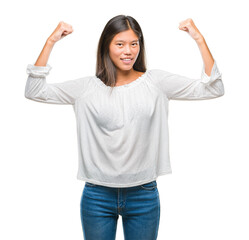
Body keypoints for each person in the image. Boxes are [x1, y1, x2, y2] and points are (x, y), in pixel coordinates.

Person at [24, 15, 224, 240]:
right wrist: (51, 41)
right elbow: (34, 91)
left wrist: (198, 38)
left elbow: (213, 89)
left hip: (144, 195)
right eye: (120, 44)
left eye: (134, 44)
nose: (128, 51)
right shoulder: (86, 88)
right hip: (97, 195)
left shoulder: (155, 83)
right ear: (107, 47)